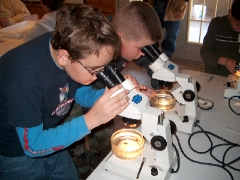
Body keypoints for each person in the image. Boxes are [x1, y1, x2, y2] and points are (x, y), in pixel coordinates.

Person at [0, 5, 131, 179]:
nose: (99, 75)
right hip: (16, 152)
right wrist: (91, 120)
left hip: (51, 131)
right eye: (94, 70)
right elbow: (32, 145)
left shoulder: (70, 47)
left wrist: (114, 95)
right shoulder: (25, 78)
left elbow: (80, 94)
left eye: (103, 68)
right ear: (64, 57)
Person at [200, 0, 240, 77]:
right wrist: (225, 61)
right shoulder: (217, 24)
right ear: (230, 13)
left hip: (236, 77)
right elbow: (204, 52)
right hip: (216, 75)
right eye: (237, 25)